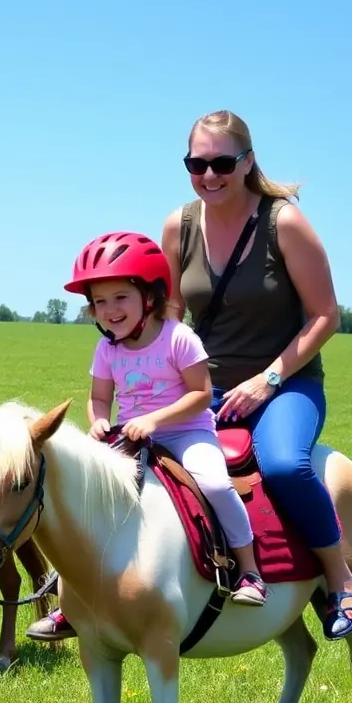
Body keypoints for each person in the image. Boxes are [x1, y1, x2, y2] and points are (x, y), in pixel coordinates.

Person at [158, 108, 352, 641]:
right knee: (124, 454)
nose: (209, 175)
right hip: (207, 386)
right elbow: (171, 313)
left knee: (285, 465)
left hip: (286, 384)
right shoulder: (178, 226)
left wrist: (267, 380)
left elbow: (326, 316)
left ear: (247, 162)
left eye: (222, 162)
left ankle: (340, 580)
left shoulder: (283, 221)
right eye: (196, 163)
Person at [26, 233, 267, 642]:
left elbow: (200, 395)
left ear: (150, 297)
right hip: (131, 439)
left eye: (120, 297)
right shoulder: (107, 349)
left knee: (214, 483)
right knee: (86, 499)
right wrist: (99, 421)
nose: (109, 310)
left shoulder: (178, 338)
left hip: (187, 432)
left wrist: (155, 420)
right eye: (99, 302)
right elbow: (100, 398)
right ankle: (72, 602)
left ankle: (249, 571)